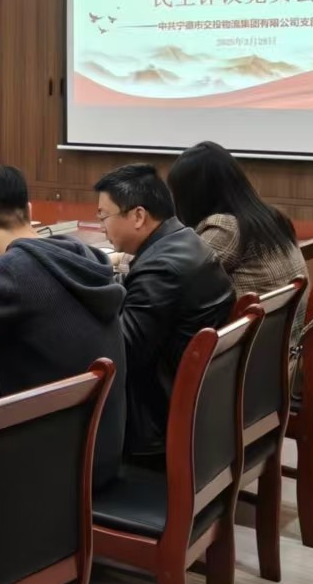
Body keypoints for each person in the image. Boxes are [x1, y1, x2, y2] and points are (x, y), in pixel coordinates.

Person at [0, 162, 127, 488]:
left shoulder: (10, 273)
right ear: (29, 210)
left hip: (57, 472)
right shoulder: (86, 255)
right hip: (103, 451)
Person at [95, 163, 233, 461]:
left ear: (138, 216)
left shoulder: (162, 268)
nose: (101, 226)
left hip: (154, 425)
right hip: (196, 406)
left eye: (103, 216)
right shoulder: (184, 240)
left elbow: (122, 353)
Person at [167, 140, 306, 297]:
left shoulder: (227, 229)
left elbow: (170, 279)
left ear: (194, 195)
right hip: (287, 313)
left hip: (257, 313)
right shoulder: (271, 216)